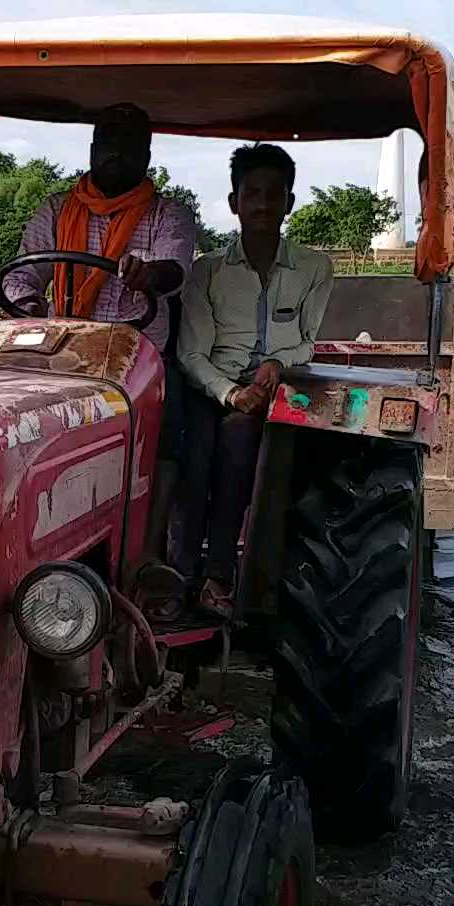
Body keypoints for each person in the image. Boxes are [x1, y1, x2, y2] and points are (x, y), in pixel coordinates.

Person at [171, 143, 334, 617]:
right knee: (193, 444)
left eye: (273, 194)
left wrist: (276, 366)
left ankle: (218, 575)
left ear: (290, 202)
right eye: (252, 194)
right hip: (211, 384)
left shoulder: (314, 268)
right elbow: (191, 353)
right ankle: (178, 573)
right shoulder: (207, 271)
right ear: (233, 203)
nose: (262, 204)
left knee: (239, 441)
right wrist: (230, 392)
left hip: (275, 387)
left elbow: (307, 341)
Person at [0, 103, 197, 351]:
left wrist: (150, 275)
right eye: (109, 142)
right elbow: (22, 274)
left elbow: (174, 271)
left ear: (146, 157)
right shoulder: (55, 209)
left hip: (134, 352)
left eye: (129, 145)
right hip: (60, 344)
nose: (116, 152)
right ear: (93, 151)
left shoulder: (170, 213)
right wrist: (28, 304)